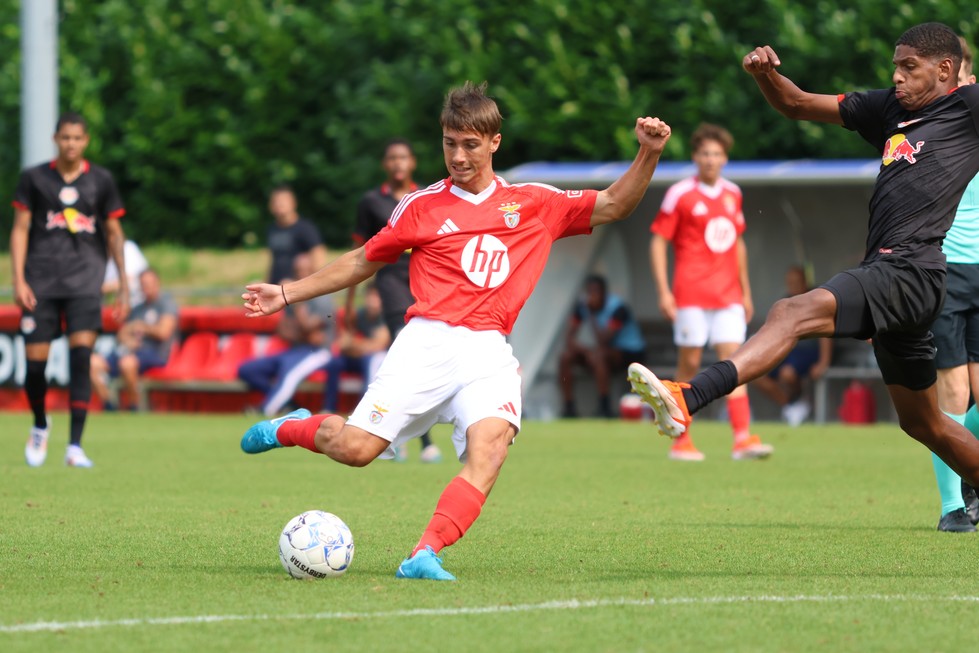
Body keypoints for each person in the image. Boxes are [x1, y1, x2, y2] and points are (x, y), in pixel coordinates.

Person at [240, 81, 673, 580]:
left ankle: (424, 554)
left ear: (494, 142)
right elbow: (363, 260)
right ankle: (289, 426)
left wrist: (648, 152)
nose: (458, 156)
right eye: (450, 143)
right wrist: (288, 292)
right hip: (428, 343)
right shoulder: (422, 206)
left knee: (490, 450)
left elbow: (616, 204)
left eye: (470, 144)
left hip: (489, 351)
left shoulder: (534, 202)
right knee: (357, 450)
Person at [628, 23, 979, 511]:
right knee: (925, 424)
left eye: (909, 67)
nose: (896, 76)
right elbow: (795, 103)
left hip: (909, 271)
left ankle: (689, 395)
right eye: (895, 65)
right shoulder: (890, 109)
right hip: (899, 280)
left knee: (791, 312)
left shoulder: (966, 107)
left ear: (946, 70)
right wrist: (764, 76)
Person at [11, 111, 129, 468]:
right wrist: (17, 279)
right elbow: (19, 229)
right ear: (55, 139)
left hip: (83, 284)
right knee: (35, 368)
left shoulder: (101, 181)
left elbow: (113, 233)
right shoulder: (34, 179)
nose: (71, 144)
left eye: (77, 138)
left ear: (86, 141)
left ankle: (74, 446)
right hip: (41, 283)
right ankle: (40, 424)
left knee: (81, 361)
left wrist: (124, 284)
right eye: (65, 138)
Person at [650, 123, 772, 461]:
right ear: (695, 157)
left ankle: (743, 438)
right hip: (690, 292)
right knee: (689, 362)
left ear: (725, 158)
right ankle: (681, 440)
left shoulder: (733, 193)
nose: (710, 160)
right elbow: (659, 241)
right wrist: (664, 291)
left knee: (735, 361)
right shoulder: (680, 194)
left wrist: (746, 292)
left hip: (728, 294)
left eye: (717, 154)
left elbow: (737, 243)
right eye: (705, 153)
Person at [346, 138, 442, 463]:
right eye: (392, 158)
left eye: (403, 157)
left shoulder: (427, 197)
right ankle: (414, 442)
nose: (398, 163)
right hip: (390, 285)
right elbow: (358, 256)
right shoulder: (371, 202)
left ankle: (395, 437)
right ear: (385, 164)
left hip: (422, 282)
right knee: (406, 356)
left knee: (418, 362)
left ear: (412, 162)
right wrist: (348, 306)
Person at [928, 36, 979, 533]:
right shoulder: (927, 123)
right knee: (954, 392)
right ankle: (952, 507)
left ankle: (969, 473)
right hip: (945, 268)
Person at [238, 253, 335, 416]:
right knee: (247, 370)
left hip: (318, 352)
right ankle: (289, 404)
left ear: (313, 272)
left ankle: (265, 409)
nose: (300, 275)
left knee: (289, 373)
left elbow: (310, 331)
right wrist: (302, 331)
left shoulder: (322, 298)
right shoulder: (292, 297)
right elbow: (283, 330)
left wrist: (297, 308)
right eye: (297, 271)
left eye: (305, 271)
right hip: (296, 349)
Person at [751, 265, 832, 426]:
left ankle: (799, 401)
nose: (792, 285)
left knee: (787, 373)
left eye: (796, 282)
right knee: (756, 375)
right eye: (789, 282)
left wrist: (823, 362)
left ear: (804, 282)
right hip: (787, 350)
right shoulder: (784, 303)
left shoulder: (815, 300)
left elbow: (826, 334)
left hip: (808, 351)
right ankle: (792, 406)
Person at [559, 274, 645, 418]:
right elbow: (568, 339)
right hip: (601, 352)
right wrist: (586, 351)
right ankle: (569, 407)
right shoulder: (582, 306)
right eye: (589, 292)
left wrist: (591, 315)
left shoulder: (618, 308)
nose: (591, 296)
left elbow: (604, 340)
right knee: (565, 357)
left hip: (630, 352)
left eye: (595, 292)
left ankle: (604, 408)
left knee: (600, 356)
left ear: (604, 293)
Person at [91, 268, 178, 411]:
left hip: (154, 353)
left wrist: (142, 326)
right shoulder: (137, 308)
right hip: (128, 351)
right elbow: (121, 334)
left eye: (148, 283)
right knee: (91, 362)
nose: (145, 287)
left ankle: (134, 406)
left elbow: (164, 332)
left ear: (157, 283)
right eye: (143, 284)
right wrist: (127, 339)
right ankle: (110, 406)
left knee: (127, 363)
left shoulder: (166, 305)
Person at [322, 283, 391, 414]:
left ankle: (362, 409)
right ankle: (329, 408)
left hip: (381, 360)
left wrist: (354, 344)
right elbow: (344, 342)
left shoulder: (386, 316)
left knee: (370, 360)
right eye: (370, 296)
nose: (372, 300)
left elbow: (378, 345)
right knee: (335, 362)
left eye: (376, 296)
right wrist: (356, 345)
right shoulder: (361, 314)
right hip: (360, 356)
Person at [265, 184, 327, 284]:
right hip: (277, 287)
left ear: (293, 203)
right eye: (275, 201)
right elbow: (273, 262)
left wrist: (297, 284)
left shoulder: (305, 228)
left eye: (283, 201)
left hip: (301, 289)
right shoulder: (272, 229)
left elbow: (319, 261)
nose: (279, 204)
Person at [103, 239, 149, 306]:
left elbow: (128, 280)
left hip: (136, 305)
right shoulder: (101, 253)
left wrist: (99, 288)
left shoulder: (127, 248)